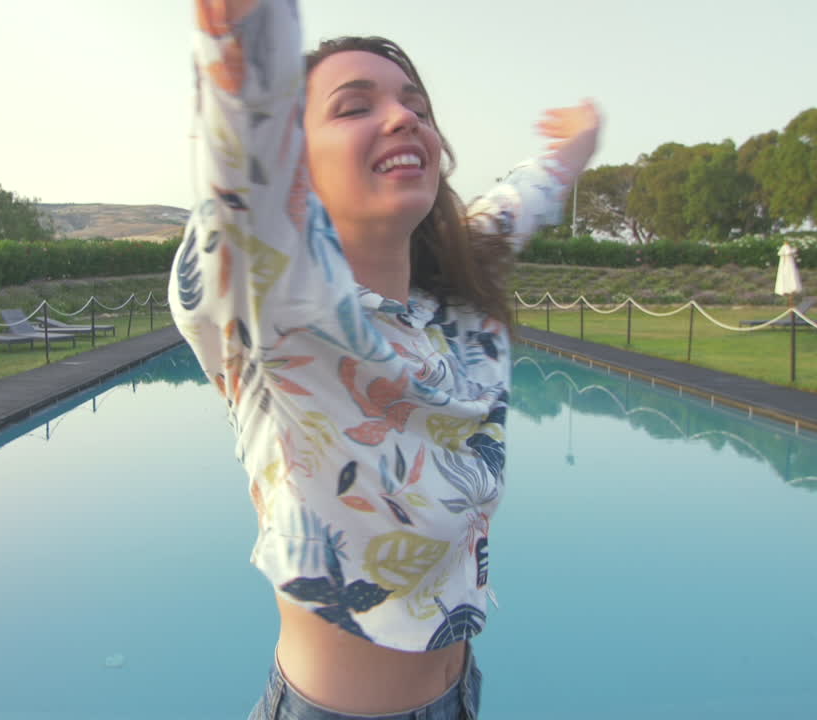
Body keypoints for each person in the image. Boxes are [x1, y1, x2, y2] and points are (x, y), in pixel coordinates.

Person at [169, 2, 600, 717]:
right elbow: (243, 111)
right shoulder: (272, 309)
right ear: (294, 164)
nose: (404, 118)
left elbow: (523, 200)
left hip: (461, 694)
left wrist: (574, 147)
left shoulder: (454, 302)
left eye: (416, 105)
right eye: (354, 106)